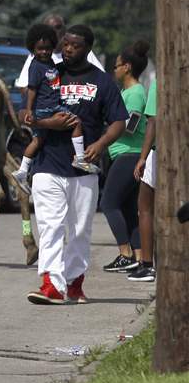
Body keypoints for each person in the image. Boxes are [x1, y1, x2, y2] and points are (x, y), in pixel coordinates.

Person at [26, 25, 126, 305]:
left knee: (80, 228)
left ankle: (73, 283)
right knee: (51, 225)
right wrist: (46, 123)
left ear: (88, 49)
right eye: (66, 44)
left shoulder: (103, 81)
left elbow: (119, 120)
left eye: (76, 45)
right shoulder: (48, 71)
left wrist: (101, 144)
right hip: (48, 163)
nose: (68, 49)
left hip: (84, 168)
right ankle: (51, 284)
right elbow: (27, 112)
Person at [12, 24, 98, 191]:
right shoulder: (36, 66)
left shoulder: (50, 62)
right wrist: (30, 110)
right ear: (32, 48)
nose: (44, 52)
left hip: (49, 107)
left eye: (47, 48)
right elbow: (31, 90)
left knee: (37, 141)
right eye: (39, 49)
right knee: (76, 122)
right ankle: (80, 158)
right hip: (47, 108)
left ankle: (22, 171)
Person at [100, 41, 150, 273]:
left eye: (116, 66)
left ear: (127, 67)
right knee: (128, 208)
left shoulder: (136, 93)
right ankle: (139, 256)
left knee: (108, 203)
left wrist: (110, 123)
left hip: (129, 155)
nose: (114, 69)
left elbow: (130, 126)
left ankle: (125, 253)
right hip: (122, 154)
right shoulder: (126, 92)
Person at [14, 13, 104, 95]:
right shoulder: (37, 55)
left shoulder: (82, 52)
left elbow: (102, 80)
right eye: (50, 28)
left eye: (58, 27)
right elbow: (24, 86)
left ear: (65, 30)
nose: (54, 31)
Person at [129, 78, 158, 282]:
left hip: (163, 151)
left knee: (145, 206)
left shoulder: (161, 78)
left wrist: (142, 157)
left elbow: (153, 121)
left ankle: (147, 265)